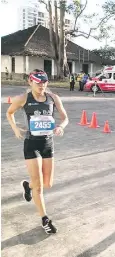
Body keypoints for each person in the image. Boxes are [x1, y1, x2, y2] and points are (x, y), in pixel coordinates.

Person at [6, 69, 69, 234]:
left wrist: (61, 127)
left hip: (48, 144)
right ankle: (45, 219)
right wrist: (15, 129)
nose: (41, 85)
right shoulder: (23, 99)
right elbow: (9, 112)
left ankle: (28, 186)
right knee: (39, 186)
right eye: (38, 82)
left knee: (48, 183)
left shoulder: (53, 98)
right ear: (30, 82)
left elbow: (65, 117)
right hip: (31, 144)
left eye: (44, 82)